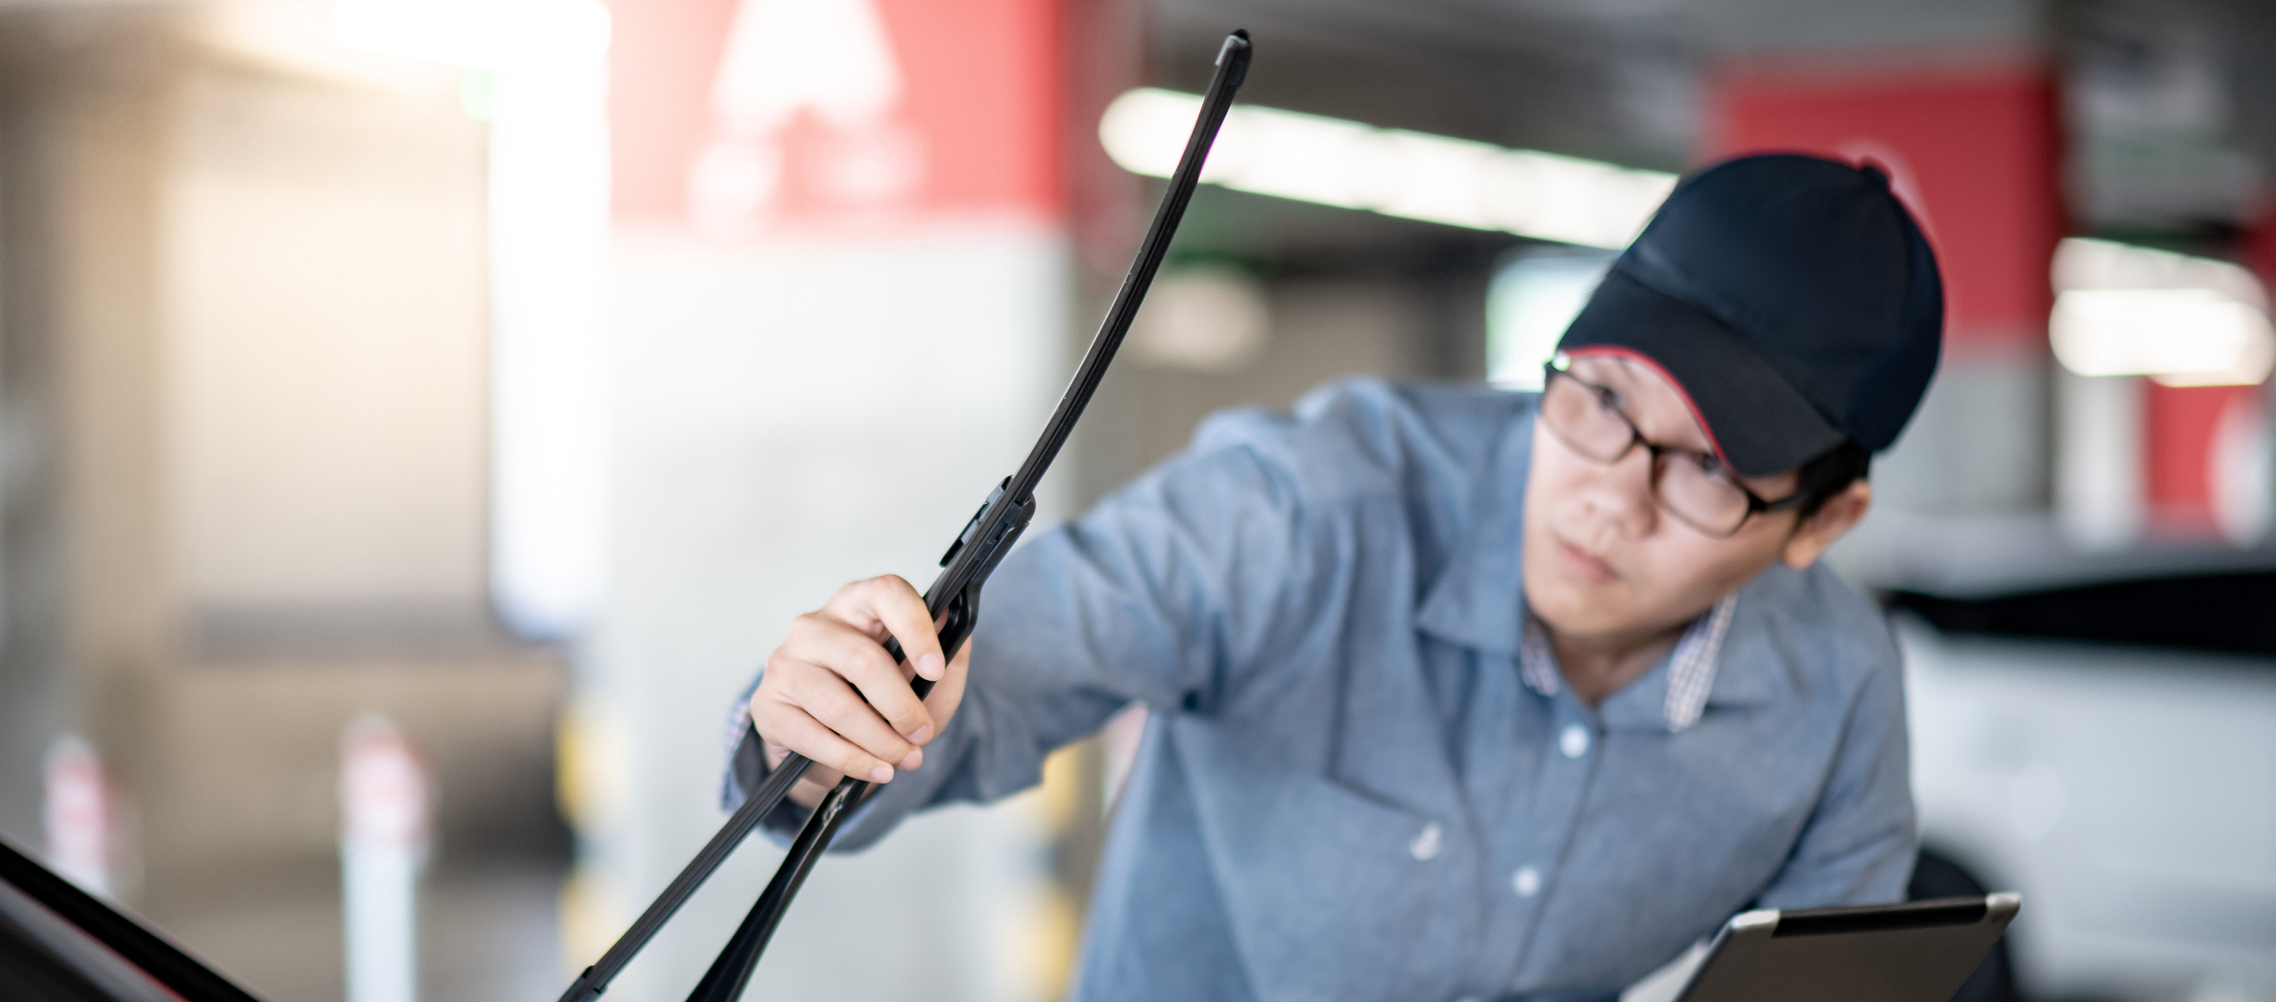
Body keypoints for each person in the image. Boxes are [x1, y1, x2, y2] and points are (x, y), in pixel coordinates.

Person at [724, 153, 1944, 1002]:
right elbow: (1001, 672)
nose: (1605, 496)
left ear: (1820, 520)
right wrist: (829, 723)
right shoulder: (1304, 510)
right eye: (1599, 400)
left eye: (1703, 472)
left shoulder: (1834, 692)